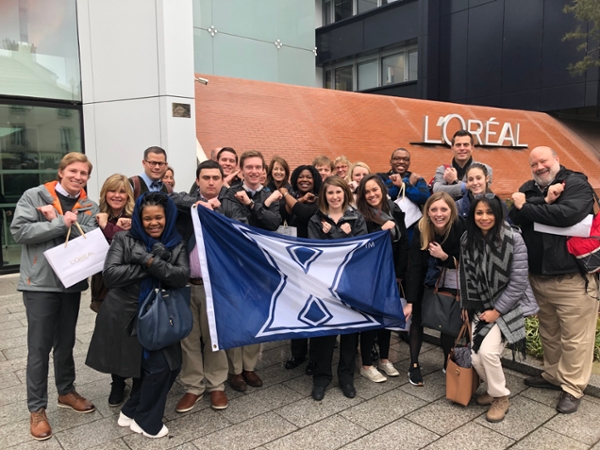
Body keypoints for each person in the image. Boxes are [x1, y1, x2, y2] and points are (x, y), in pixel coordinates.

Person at [11, 152, 100, 441]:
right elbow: (20, 231)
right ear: (61, 172)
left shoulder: (88, 204)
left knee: (66, 342)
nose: (78, 177)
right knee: (39, 348)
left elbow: (91, 237)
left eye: (83, 173)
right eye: (73, 171)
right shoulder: (34, 196)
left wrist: (66, 222)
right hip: (40, 284)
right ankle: (37, 409)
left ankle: (66, 391)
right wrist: (59, 223)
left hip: (71, 284)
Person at [86, 192, 189, 438]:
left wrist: (147, 261)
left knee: (170, 365)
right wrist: (152, 264)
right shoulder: (123, 239)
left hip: (161, 314)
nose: (153, 223)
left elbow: (180, 277)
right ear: (138, 219)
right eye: (147, 218)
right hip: (126, 314)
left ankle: (131, 411)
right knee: (161, 367)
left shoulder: (176, 242)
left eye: (159, 217)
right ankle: (146, 421)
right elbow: (110, 276)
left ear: (168, 217)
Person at [509, 146, 599, 414]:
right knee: (550, 332)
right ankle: (552, 375)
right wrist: (544, 202)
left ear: (557, 160)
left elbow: (567, 215)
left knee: (575, 338)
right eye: (534, 164)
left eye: (543, 161)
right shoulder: (529, 187)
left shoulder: (577, 185)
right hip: (538, 277)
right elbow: (513, 216)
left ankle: (572, 387)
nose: (539, 167)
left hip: (572, 278)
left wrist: (528, 206)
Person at [170, 160, 244, 412]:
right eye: (206, 177)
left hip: (216, 286)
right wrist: (198, 204)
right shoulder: (185, 203)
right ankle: (193, 387)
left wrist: (217, 212)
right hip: (186, 285)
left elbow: (240, 233)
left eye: (216, 177)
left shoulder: (231, 206)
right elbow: (169, 198)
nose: (211, 182)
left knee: (214, 337)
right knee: (188, 339)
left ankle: (216, 386)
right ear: (198, 180)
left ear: (223, 180)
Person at [460, 194, 538, 423]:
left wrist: (498, 311)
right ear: (473, 215)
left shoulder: (514, 239)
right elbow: (466, 276)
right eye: (479, 213)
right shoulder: (468, 239)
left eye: (489, 212)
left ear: (499, 214)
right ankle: (493, 389)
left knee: (488, 353)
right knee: (475, 358)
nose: (484, 217)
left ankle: (501, 397)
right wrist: (467, 304)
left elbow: (519, 283)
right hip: (480, 304)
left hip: (509, 306)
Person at [225, 150, 282, 391]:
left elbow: (273, 223)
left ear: (264, 171)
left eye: (259, 167)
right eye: (249, 167)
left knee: (256, 315)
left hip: (261, 264)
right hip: (235, 263)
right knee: (235, 314)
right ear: (242, 169)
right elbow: (237, 223)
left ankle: (249, 367)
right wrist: (261, 209)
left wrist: (252, 204)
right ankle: (235, 371)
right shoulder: (229, 193)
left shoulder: (271, 194)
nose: (254, 171)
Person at [307, 176, 367, 401]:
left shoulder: (357, 217)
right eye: (330, 193)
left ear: (345, 194)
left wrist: (334, 234)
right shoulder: (315, 219)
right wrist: (340, 235)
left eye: (338, 192)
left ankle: (346, 377)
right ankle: (322, 377)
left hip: (350, 282)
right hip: (324, 283)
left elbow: (358, 250)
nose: (334, 197)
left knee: (350, 332)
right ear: (324, 195)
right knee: (325, 332)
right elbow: (316, 253)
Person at [404, 192, 464, 386]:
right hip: (425, 279)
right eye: (434, 209)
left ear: (451, 211)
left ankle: (447, 360)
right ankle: (413, 364)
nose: (439, 214)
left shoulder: (460, 228)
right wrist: (411, 301)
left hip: (452, 279)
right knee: (417, 320)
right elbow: (414, 266)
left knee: (447, 320)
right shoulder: (421, 229)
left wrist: (443, 256)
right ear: (427, 212)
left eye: (444, 209)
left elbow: (466, 263)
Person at [355, 174, 409, 383]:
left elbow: (404, 243)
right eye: (366, 191)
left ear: (382, 190)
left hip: (390, 274)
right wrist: (379, 231)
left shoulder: (394, 210)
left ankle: (385, 359)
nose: (371, 194)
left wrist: (399, 274)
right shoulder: (360, 215)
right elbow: (361, 246)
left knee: (387, 319)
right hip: (370, 276)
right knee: (371, 320)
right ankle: (366, 364)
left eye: (374, 189)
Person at [92, 174, 135, 407]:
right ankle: (117, 381)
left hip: (129, 286)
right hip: (104, 286)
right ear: (105, 193)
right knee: (111, 335)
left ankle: (135, 377)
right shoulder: (95, 215)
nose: (117, 195)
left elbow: (129, 246)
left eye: (122, 191)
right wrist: (104, 224)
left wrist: (106, 227)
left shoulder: (133, 217)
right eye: (112, 191)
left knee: (131, 334)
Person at [278, 165, 322, 375]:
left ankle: (315, 357)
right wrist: (294, 198)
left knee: (313, 308)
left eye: (309, 177)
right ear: (295, 179)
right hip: (291, 261)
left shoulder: (318, 199)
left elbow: (303, 214)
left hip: (312, 262)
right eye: (301, 177)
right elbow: (281, 215)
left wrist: (285, 193)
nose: (305, 180)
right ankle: (298, 353)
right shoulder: (296, 197)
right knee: (295, 306)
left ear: (315, 180)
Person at [432, 130, 493, 200]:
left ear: (472, 148)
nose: (462, 148)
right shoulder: (443, 170)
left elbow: (481, 193)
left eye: (466, 145)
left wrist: (455, 181)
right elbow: (437, 191)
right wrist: (466, 186)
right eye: (458, 145)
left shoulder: (485, 169)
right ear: (452, 148)